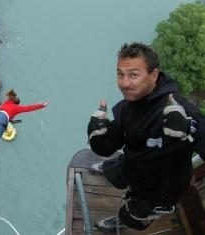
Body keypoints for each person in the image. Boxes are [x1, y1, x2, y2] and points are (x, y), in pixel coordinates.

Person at [87, 42, 205, 232]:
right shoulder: (129, 105)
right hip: (134, 163)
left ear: (154, 75)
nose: (124, 83)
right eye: (120, 74)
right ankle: (112, 172)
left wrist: (189, 130)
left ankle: (122, 220)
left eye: (133, 75)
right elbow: (110, 145)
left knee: (136, 211)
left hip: (161, 186)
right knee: (115, 169)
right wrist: (98, 136)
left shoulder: (181, 112)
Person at [0, 89, 50, 163]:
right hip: (2, 116)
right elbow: (29, 108)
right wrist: (42, 105)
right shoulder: (15, 107)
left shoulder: (0, 105)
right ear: (16, 103)